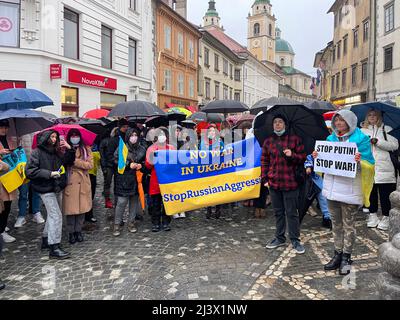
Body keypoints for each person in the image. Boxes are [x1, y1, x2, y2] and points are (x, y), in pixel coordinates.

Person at [314, 110, 375, 275]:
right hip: (332, 189)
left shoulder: (361, 139)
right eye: (337, 120)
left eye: (342, 120)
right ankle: (337, 254)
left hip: (350, 189)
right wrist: (317, 156)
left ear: (349, 121)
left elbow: (369, 163)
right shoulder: (330, 139)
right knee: (336, 224)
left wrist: (359, 161)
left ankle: (346, 257)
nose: (339, 123)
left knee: (349, 226)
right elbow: (324, 164)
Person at [263, 114, 307, 254]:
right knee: (278, 212)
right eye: (275, 122)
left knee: (292, 213)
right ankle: (279, 237)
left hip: (290, 182)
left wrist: (292, 155)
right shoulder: (268, 141)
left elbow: (303, 158)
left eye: (280, 122)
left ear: (285, 124)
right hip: (274, 183)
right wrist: (265, 179)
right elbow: (264, 161)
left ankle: (295, 239)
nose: (277, 124)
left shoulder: (294, 139)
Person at [25, 130, 71, 259]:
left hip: (55, 187)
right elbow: (30, 171)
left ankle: (46, 240)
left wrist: (69, 149)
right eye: (52, 136)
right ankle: (54, 247)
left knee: (52, 215)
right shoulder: (37, 152)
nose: (54, 139)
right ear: (46, 138)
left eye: (56, 137)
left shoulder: (56, 152)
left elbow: (67, 161)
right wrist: (49, 174)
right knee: (56, 215)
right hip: (45, 188)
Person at [361, 109, 399, 231]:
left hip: (385, 167)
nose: (372, 117)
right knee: (370, 193)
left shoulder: (387, 129)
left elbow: (394, 145)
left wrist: (378, 142)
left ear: (379, 117)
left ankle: (386, 217)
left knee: (385, 195)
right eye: (369, 115)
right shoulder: (362, 130)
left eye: (374, 115)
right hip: (368, 167)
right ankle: (372, 216)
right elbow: (357, 146)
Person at [113, 127, 146, 236]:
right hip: (124, 179)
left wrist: (142, 166)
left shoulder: (142, 149)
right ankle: (117, 224)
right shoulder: (122, 148)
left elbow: (146, 163)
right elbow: (115, 160)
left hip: (137, 179)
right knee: (121, 202)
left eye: (135, 135)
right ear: (128, 137)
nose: (134, 137)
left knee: (134, 202)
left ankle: (131, 223)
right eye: (132, 135)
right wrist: (128, 164)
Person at [63, 129, 93, 245]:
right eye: (72, 136)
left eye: (76, 135)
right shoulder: (64, 148)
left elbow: (89, 165)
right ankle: (71, 232)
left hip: (83, 182)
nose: (75, 137)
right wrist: (77, 160)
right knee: (71, 210)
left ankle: (78, 231)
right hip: (70, 182)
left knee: (82, 209)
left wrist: (75, 161)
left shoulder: (86, 149)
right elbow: (64, 162)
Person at [145, 127, 175, 232]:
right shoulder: (151, 149)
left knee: (167, 203)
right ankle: (156, 223)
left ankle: (166, 222)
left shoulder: (171, 148)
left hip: (167, 179)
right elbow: (148, 165)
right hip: (155, 180)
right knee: (155, 203)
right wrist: (153, 158)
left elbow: (175, 162)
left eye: (163, 134)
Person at [14, 132, 45, 228]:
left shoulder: (38, 132)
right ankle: (21, 216)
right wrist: (17, 143)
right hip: (22, 167)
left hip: (35, 166)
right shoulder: (16, 132)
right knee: (23, 193)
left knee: (36, 192)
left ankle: (36, 212)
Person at [103, 119, 129, 209]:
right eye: (124, 127)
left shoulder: (127, 138)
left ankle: (116, 200)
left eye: (127, 126)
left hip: (119, 164)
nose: (126, 128)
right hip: (111, 165)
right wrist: (114, 162)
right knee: (108, 182)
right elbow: (108, 154)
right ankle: (107, 200)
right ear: (120, 127)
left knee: (118, 183)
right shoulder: (114, 139)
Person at [300, 154, 332, 229]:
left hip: (321, 181)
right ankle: (296, 221)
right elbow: (308, 159)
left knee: (324, 200)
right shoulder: (313, 154)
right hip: (310, 181)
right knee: (303, 203)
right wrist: (308, 166)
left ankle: (327, 219)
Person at [0, 119, 19, 243]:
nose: (4, 129)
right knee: (1, 205)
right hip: (1, 178)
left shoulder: (11, 140)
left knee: (8, 205)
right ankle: (1, 231)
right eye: (1, 127)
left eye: (6, 127)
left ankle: (2, 227)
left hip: (10, 176)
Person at [200, 123, 224, 219]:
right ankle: (209, 209)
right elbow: (200, 155)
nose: (212, 132)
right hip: (207, 170)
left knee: (218, 190)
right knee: (208, 190)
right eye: (210, 130)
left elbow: (224, 153)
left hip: (218, 169)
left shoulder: (220, 142)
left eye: (214, 130)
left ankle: (218, 209)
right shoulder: (203, 143)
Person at [85, 137, 101, 226]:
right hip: (84, 175)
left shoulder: (95, 148)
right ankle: (84, 214)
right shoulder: (80, 150)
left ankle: (89, 214)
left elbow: (97, 161)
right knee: (85, 195)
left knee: (91, 195)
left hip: (92, 175)